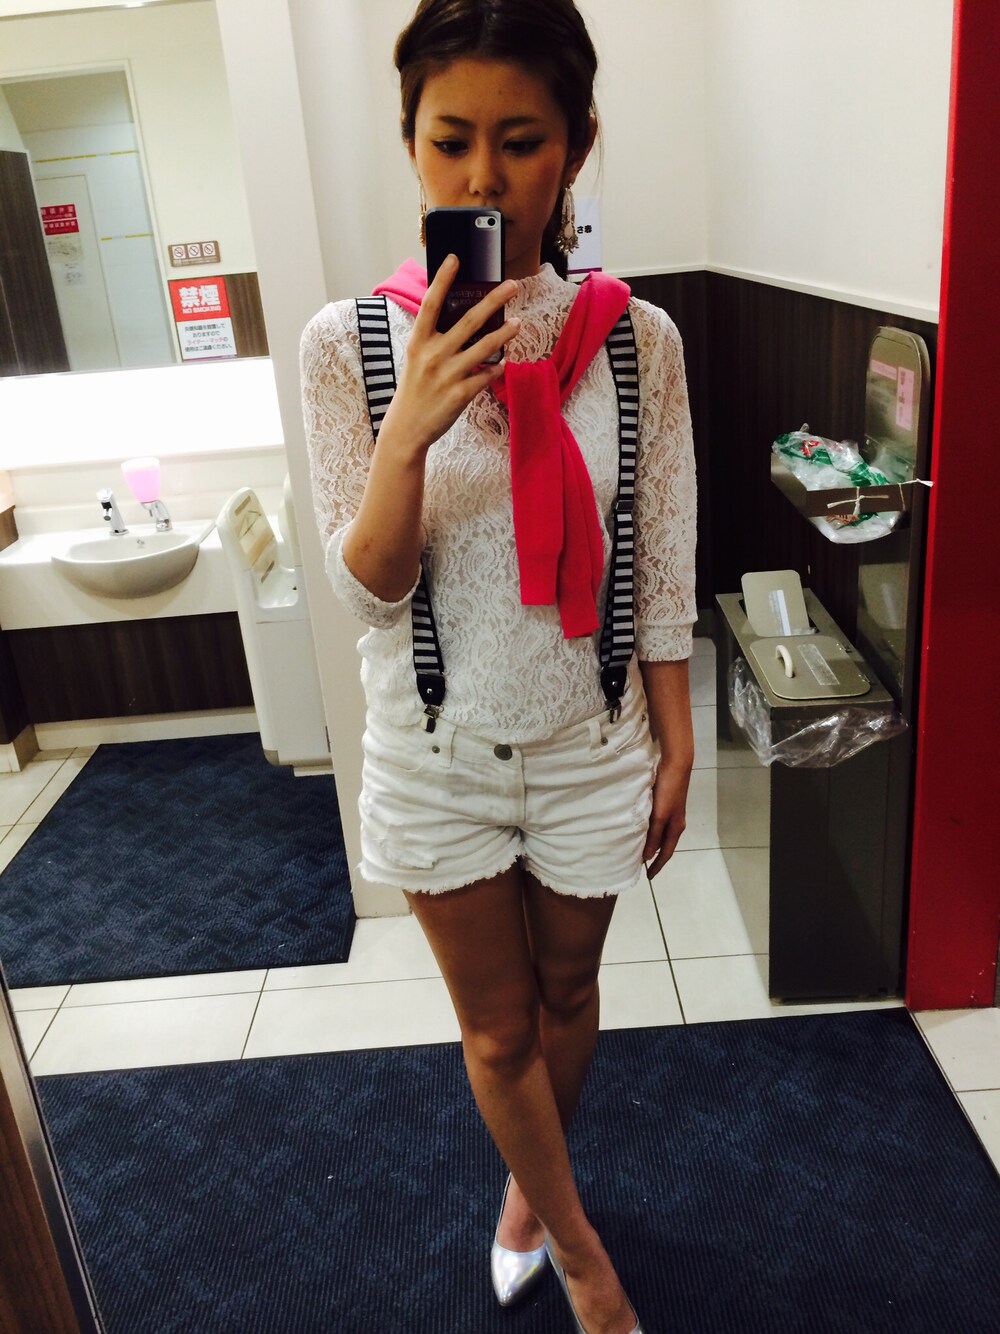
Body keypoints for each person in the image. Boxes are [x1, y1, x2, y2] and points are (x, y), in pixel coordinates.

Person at [301, 2, 696, 1330]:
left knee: (571, 995)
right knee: (495, 1028)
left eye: (521, 141)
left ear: (575, 145)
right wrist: (409, 427)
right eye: (450, 139)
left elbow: (660, 557)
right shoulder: (348, 346)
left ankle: (531, 1191)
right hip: (437, 751)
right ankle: (579, 1251)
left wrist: (676, 738)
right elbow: (367, 591)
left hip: (590, 740)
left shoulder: (637, 341)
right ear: (409, 142)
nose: (483, 178)